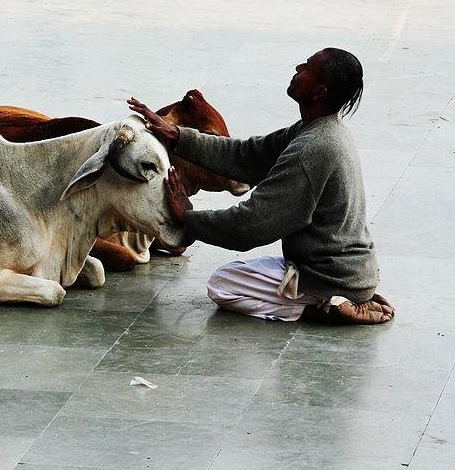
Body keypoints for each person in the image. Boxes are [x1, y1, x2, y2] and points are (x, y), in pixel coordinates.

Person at [128, 48, 395, 324]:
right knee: (241, 270)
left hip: (326, 276)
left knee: (223, 284)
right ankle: (349, 295)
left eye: (307, 68)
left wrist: (188, 218)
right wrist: (178, 137)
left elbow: (251, 225)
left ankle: (326, 306)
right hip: (346, 270)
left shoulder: (312, 148)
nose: (297, 67)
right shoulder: (320, 129)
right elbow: (249, 155)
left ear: (319, 92)